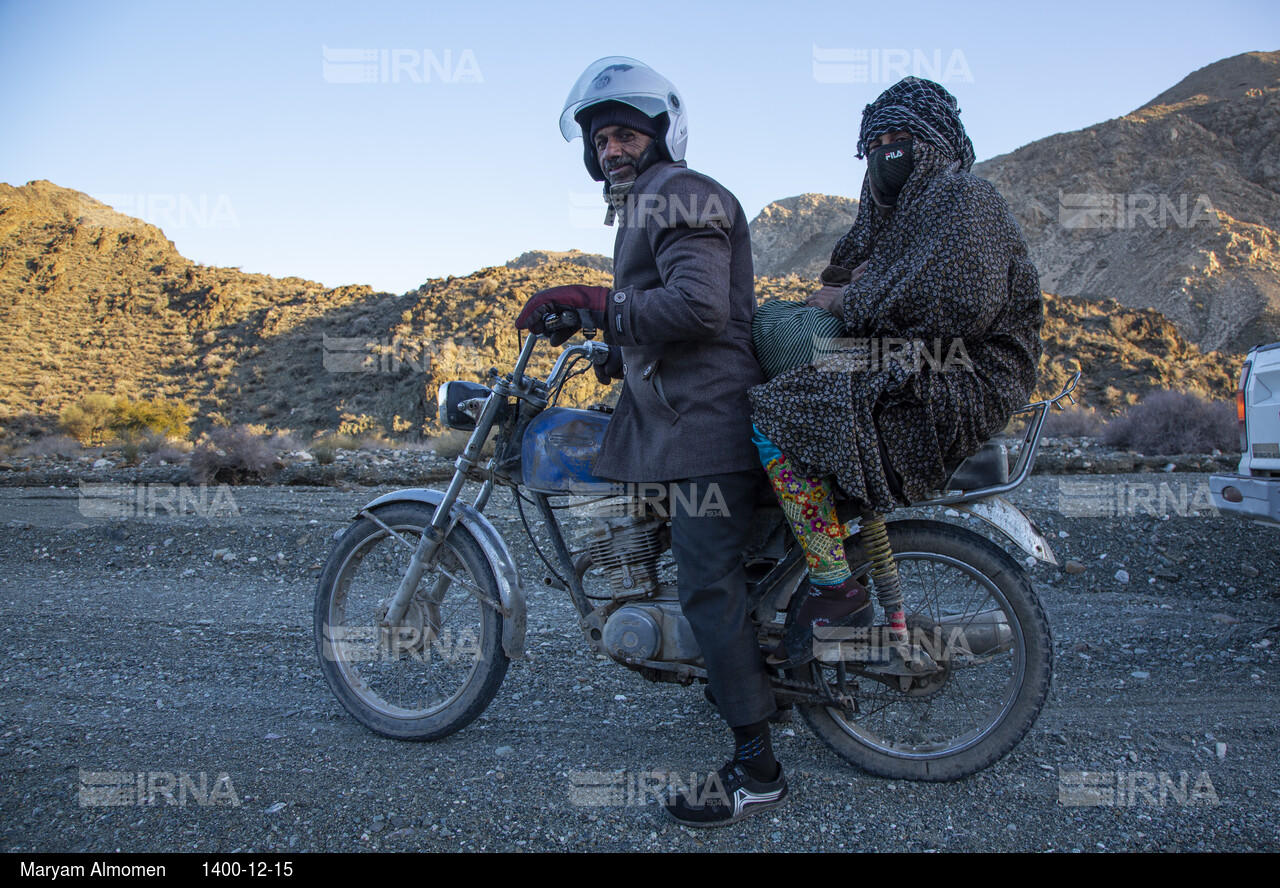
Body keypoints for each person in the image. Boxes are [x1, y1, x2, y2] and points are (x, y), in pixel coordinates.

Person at [513, 57, 786, 827]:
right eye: (601, 140)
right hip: (682, 416)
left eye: (627, 133)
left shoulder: (680, 192)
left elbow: (699, 308)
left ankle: (756, 768)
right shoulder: (652, 203)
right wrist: (613, 349)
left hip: (705, 424)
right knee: (699, 569)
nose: (612, 150)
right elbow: (665, 310)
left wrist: (603, 308)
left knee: (707, 584)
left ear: (662, 135)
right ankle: (743, 685)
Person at [749, 77, 1044, 667]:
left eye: (902, 137)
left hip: (957, 370)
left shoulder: (965, 200)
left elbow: (958, 304)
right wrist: (843, 297)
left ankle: (834, 584)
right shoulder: (886, 216)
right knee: (772, 357)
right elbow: (839, 277)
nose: (887, 150)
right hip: (900, 354)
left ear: (935, 143)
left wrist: (854, 299)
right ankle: (774, 566)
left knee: (776, 413)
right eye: (875, 140)